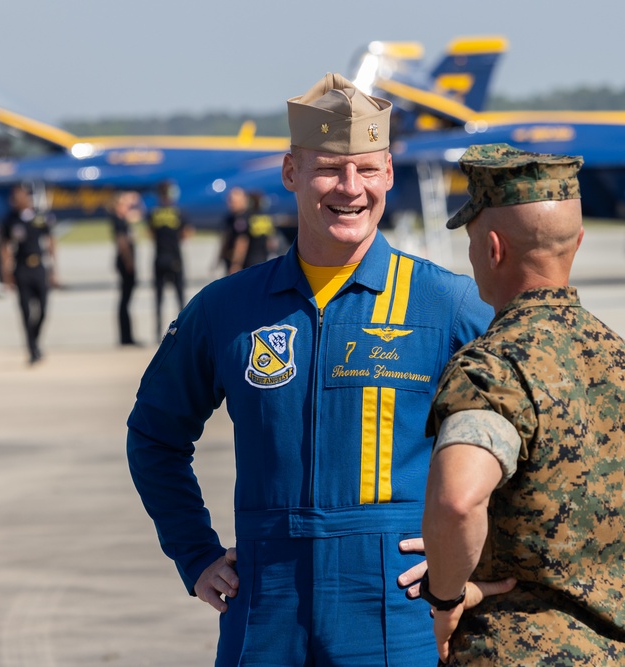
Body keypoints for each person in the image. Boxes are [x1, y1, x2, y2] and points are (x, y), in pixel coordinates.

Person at [127, 72, 494, 667]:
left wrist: (479, 556)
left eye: (368, 169)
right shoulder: (228, 309)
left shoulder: (446, 305)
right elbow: (153, 434)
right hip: (265, 610)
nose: (351, 187)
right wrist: (193, 553)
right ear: (291, 172)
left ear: (389, 174)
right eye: (329, 168)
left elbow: (543, 429)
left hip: (395, 611)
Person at [420, 143, 625, 665]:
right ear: (577, 242)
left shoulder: (492, 370)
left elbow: (458, 501)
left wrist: (445, 597)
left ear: (493, 248)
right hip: (619, 652)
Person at [0, 183, 57, 364]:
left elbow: (50, 240)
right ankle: (32, 350)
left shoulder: (39, 217)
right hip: (21, 268)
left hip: (39, 266)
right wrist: (6, 271)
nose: (16, 200)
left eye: (19, 196)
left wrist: (54, 268)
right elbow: (5, 245)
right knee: (25, 311)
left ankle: (35, 339)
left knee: (42, 310)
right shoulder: (11, 219)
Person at [147, 180, 192, 341]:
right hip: (175, 257)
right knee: (179, 296)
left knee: (159, 298)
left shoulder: (154, 212)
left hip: (159, 257)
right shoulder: (179, 212)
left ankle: (157, 331)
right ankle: (183, 330)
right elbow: (187, 233)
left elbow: (150, 233)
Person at [221, 187, 282, 275]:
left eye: (233, 201)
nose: (230, 204)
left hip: (246, 263)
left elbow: (242, 242)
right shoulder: (264, 218)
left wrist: (236, 264)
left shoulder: (243, 218)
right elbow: (272, 242)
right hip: (262, 260)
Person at [110, 191, 142, 345]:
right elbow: (122, 243)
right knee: (125, 300)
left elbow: (138, 212)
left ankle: (127, 336)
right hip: (125, 263)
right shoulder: (118, 221)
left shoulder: (123, 220)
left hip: (125, 262)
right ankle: (125, 337)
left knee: (126, 300)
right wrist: (129, 262)